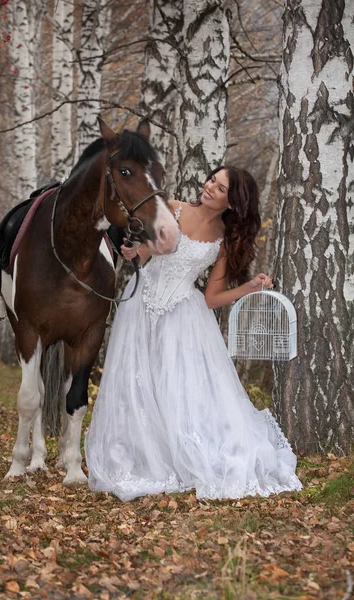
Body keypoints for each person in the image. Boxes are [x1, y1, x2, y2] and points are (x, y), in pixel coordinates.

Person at [85, 166, 302, 502]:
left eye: (220, 187)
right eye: (211, 180)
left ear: (233, 201)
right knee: (136, 381)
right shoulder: (172, 207)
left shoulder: (223, 240)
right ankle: (138, 454)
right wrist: (133, 252)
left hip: (183, 317)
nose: (210, 187)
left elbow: (212, 298)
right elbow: (142, 255)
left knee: (175, 388)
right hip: (140, 305)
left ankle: (180, 455)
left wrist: (249, 287)